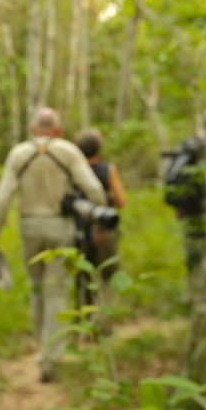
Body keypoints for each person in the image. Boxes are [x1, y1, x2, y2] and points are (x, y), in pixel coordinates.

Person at [0, 108, 108, 382]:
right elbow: (94, 189)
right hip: (60, 227)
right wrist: (99, 218)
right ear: (58, 130)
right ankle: (51, 358)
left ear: (32, 129)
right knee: (57, 291)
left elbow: (3, 197)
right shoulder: (68, 151)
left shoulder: (19, 154)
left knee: (37, 289)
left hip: (29, 226)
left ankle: (43, 346)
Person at [73, 128, 125, 311]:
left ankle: (84, 317)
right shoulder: (107, 169)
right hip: (105, 227)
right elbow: (120, 200)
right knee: (107, 274)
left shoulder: (72, 170)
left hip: (78, 229)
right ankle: (105, 317)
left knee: (82, 276)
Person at [164, 135, 206, 276]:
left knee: (192, 245)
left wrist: (180, 207)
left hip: (189, 209)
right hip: (202, 208)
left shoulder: (182, 159)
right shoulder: (203, 159)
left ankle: (194, 277)